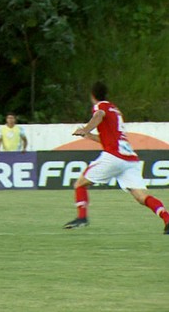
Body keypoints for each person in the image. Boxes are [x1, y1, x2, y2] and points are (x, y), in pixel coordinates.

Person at [64, 82, 169, 234]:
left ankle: (82, 218)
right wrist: (89, 135)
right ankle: (166, 218)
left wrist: (86, 128)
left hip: (114, 156)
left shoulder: (100, 107)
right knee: (141, 196)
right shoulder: (115, 110)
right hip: (129, 159)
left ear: (92, 95)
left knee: (79, 184)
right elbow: (108, 138)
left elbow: (99, 116)